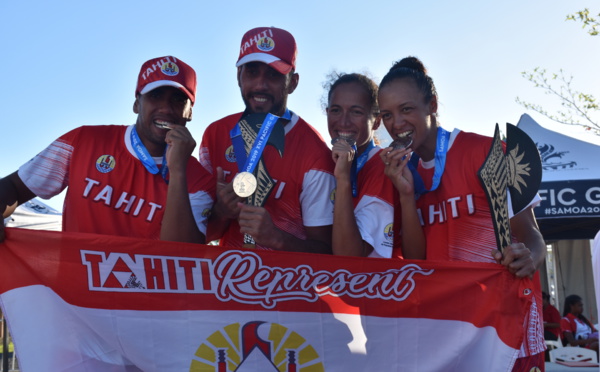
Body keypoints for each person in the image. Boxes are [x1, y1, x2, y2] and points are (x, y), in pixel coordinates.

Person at [378, 56, 547, 371]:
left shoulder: (486, 152)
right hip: (447, 332)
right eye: (387, 114)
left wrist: (530, 258)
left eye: (406, 109)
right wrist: (406, 195)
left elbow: (533, 237)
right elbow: (416, 262)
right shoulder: (401, 172)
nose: (396, 124)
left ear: (433, 104)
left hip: (508, 327)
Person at [0, 56, 214, 243]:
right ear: (137, 104)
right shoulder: (83, 140)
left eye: (178, 100)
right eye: (155, 96)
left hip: (147, 290)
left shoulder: (199, 180)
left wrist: (178, 171)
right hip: (75, 287)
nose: (166, 108)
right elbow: (13, 186)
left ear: (190, 112)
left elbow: (180, 255)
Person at [199, 27, 335, 253]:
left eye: (273, 75)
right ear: (238, 76)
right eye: (252, 72)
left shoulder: (315, 153)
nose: (260, 85)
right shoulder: (216, 134)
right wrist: (221, 212)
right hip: (227, 281)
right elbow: (200, 237)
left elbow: (326, 254)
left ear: (293, 82)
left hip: (288, 287)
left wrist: (277, 239)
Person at [325, 72, 424, 258]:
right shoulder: (327, 159)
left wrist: (344, 179)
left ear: (376, 121)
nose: (344, 121)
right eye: (336, 110)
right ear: (327, 112)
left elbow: (349, 258)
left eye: (356, 112)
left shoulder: (383, 167)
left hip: (377, 284)